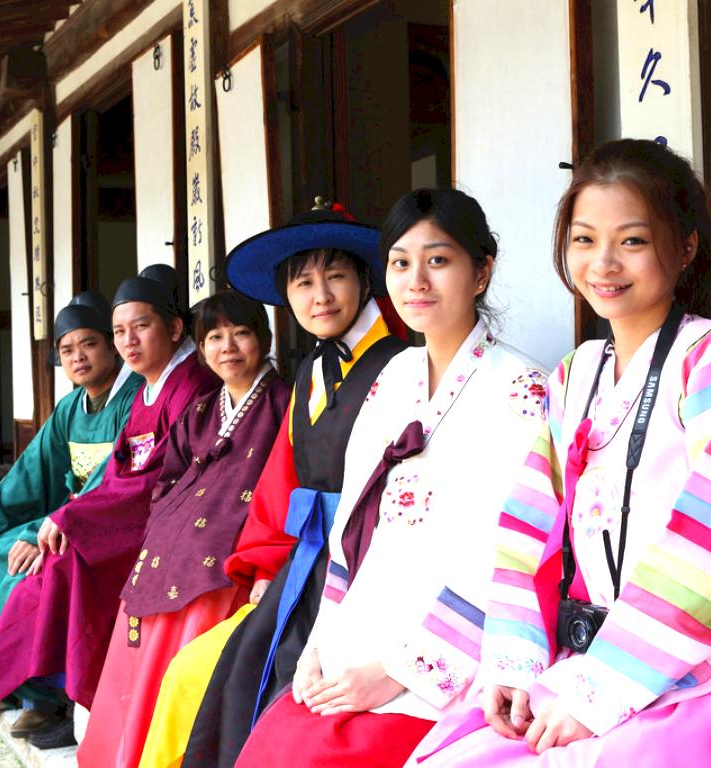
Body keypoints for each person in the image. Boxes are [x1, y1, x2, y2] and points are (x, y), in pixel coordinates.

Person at [409, 139, 711, 766]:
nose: (603, 263)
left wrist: (598, 694)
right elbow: (528, 529)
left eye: (632, 240)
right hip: (604, 658)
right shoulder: (574, 376)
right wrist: (515, 665)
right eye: (584, 239)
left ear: (685, 248)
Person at [233, 187, 551, 768]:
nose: (416, 282)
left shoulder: (523, 390)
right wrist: (321, 645)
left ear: (481, 272)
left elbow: (511, 558)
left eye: (438, 260)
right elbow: (352, 533)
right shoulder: (394, 378)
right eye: (401, 264)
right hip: (364, 628)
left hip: (448, 658)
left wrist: (396, 672)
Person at [139, 199, 406, 768]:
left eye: (336, 277)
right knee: (214, 676)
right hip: (304, 561)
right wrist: (265, 565)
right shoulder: (310, 370)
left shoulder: (402, 366)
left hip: (371, 565)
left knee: (277, 692)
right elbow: (283, 479)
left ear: (366, 280)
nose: (320, 296)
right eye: (303, 283)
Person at [0, 265, 218, 749]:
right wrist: (69, 516)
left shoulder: (190, 384)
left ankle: (74, 699)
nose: (129, 342)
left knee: (69, 568)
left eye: (140, 327)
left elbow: (156, 478)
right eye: (120, 331)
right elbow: (119, 468)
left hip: (163, 522)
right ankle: (49, 696)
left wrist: (77, 518)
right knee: (42, 569)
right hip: (122, 515)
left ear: (174, 328)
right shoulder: (151, 386)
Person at [77, 291, 292, 767]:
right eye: (214, 337)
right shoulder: (200, 410)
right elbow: (167, 482)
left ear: (263, 338)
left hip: (231, 553)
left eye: (240, 333)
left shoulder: (284, 403)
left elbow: (282, 488)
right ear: (200, 346)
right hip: (175, 546)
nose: (227, 347)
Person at [0, 291, 140, 717]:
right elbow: (28, 476)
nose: (78, 357)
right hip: (63, 519)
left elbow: (110, 480)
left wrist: (38, 533)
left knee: (21, 578)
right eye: (67, 349)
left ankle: (35, 693)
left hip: (101, 524)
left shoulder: (135, 399)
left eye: (89, 344)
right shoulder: (70, 407)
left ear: (111, 345)